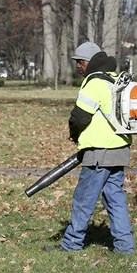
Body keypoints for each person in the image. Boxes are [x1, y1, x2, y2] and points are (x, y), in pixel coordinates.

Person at [45, 41, 135, 254]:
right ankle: (125, 247)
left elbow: (80, 117)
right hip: (120, 150)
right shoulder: (115, 79)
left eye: (79, 62)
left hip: (99, 152)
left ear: (87, 62)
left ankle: (71, 244)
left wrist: (74, 135)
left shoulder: (93, 82)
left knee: (83, 199)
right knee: (115, 198)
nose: (77, 66)